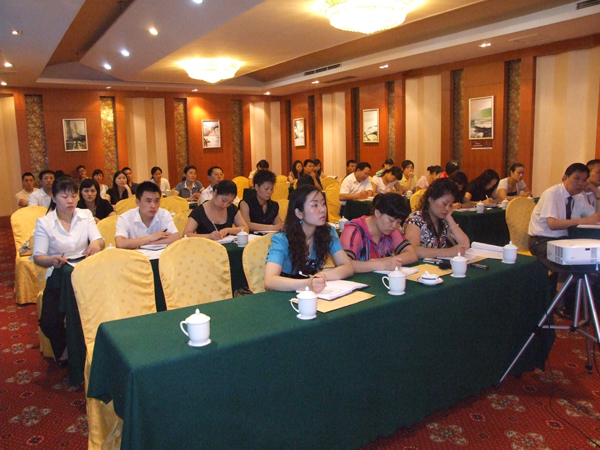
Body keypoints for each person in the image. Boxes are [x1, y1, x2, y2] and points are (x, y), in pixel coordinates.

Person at [33, 177, 104, 366]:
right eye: (64, 197)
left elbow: (98, 239)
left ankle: (88, 353)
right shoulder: (45, 222)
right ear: (54, 198)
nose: (70, 201)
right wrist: (51, 260)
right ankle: (66, 351)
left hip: (85, 274)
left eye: (73, 196)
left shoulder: (85, 215)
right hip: (59, 276)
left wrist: (95, 244)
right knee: (49, 322)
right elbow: (38, 256)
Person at [264, 185, 354, 293]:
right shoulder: (282, 239)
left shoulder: (328, 232)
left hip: (314, 293)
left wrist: (321, 276)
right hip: (286, 293)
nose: (322, 209)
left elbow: (347, 267)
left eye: (323, 203)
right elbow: (269, 281)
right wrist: (307, 283)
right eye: (315, 205)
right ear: (299, 213)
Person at [340, 193, 418, 272]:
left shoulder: (391, 229)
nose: (394, 226)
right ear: (377, 213)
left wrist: (390, 261)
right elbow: (343, 264)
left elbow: (412, 254)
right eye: (391, 220)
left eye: (398, 222)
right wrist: (382, 264)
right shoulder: (354, 230)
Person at [403, 178, 470, 258]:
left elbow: (465, 244)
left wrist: (449, 218)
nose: (447, 208)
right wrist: (448, 252)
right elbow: (412, 249)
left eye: (450, 205)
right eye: (444, 204)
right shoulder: (415, 219)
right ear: (431, 199)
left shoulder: (443, 221)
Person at [115, 181, 179, 249]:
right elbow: (120, 243)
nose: (153, 206)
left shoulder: (164, 214)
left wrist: (149, 243)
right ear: (137, 202)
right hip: (135, 255)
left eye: (156, 201)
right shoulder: (125, 218)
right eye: (148, 201)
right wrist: (151, 237)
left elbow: (176, 237)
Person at [183, 180, 249, 240]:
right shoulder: (199, 211)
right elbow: (186, 234)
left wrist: (228, 230)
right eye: (223, 200)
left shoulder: (231, 208)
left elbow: (245, 229)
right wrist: (209, 236)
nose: (225, 205)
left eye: (230, 202)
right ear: (215, 193)